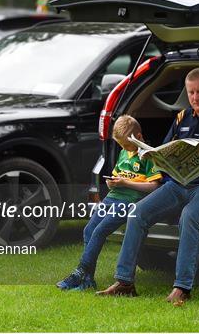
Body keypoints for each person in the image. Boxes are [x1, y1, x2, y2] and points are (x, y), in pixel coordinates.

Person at [96, 67, 199, 305]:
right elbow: (165, 150)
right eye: (191, 92)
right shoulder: (181, 117)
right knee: (138, 213)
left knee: (190, 215)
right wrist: (151, 155)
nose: (195, 97)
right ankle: (124, 282)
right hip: (178, 185)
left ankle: (182, 287)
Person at [56, 115, 162, 291]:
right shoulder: (123, 152)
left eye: (127, 145)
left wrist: (126, 183)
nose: (124, 148)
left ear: (139, 136)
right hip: (112, 197)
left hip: (129, 201)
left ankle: (80, 272)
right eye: (121, 145)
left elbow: (155, 186)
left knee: (99, 231)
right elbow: (117, 174)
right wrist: (111, 182)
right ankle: (88, 280)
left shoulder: (148, 156)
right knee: (88, 229)